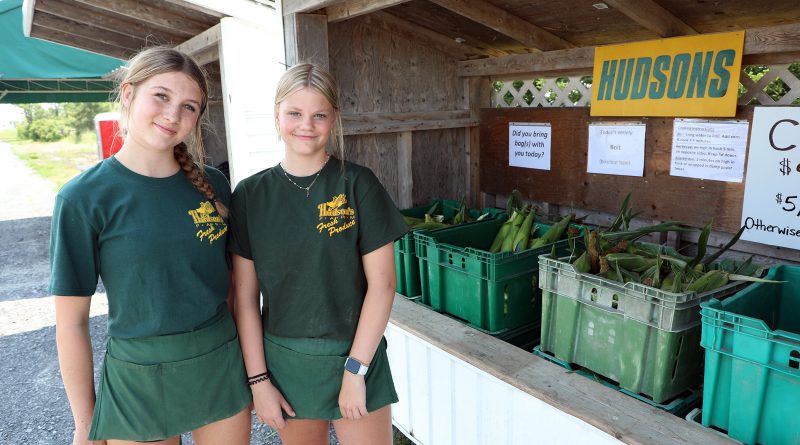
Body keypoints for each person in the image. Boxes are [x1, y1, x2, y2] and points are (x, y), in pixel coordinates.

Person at [50, 47, 252, 445]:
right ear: (128, 94)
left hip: (218, 362)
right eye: (161, 96)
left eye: (189, 106)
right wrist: (85, 422)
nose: (173, 114)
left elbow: (234, 287)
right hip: (138, 376)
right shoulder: (83, 198)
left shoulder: (214, 185)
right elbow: (70, 323)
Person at [229, 63, 407, 445]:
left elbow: (384, 285)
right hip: (285, 360)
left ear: (334, 119)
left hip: (355, 353)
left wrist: (355, 371)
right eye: (294, 113)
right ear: (277, 115)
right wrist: (259, 382)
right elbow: (244, 298)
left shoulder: (358, 184)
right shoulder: (249, 195)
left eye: (319, 115)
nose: (305, 125)